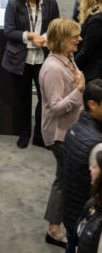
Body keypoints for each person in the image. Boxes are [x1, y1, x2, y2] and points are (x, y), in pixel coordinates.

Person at [39, 18, 85, 247]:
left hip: (69, 131)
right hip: (59, 135)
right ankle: (54, 230)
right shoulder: (54, 69)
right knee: (64, 181)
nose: (80, 39)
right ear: (60, 40)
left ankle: (55, 226)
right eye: (74, 36)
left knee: (63, 179)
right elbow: (56, 108)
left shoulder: (67, 58)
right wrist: (79, 90)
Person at [2, 0, 60, 148]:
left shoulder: (50, 1)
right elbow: (9, 32)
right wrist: (30, 35)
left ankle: (39, 134)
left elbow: (55, 26)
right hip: (20, 58)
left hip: (43, 58)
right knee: (22, 97)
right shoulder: (14, 4)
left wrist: (45, 37)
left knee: (45, 98)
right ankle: (24, 132)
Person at [60, 79, 102, 251]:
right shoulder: (97, 144)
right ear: (92, 104)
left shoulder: (72, 129)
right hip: (85, 219)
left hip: (71, 214)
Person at [77, 0, 102, 82]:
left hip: (93, 75)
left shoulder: (96, 20)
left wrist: (72, 65)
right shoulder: (94, 16)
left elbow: (86, 51)